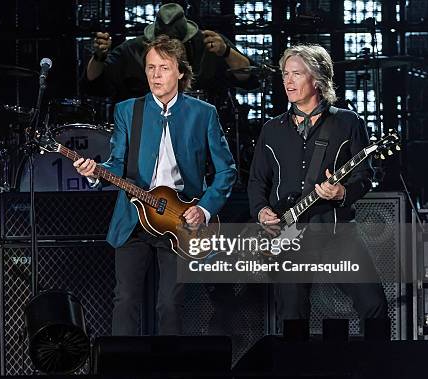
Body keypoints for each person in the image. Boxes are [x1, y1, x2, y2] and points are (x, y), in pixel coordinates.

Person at [74, 35, 236, 335]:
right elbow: (117, 164)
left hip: (179, 221)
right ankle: (121, 367)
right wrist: (95, 172)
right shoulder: (128, 111)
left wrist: (203, 208)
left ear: (180, 72)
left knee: (169, 305)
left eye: (163, 67)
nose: (155, 75)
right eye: (150, 68)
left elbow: (227, 171)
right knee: (125, 300)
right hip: (134, 219)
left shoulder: (203, 114)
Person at [247, 44, 387, 331]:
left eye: (297, 74)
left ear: (318, 79)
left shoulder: (347, 122)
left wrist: (342, 193)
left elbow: (364, 175)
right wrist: (262, 211)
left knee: (373, 305)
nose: (288, 81)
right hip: (288, 237)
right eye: (285, 74)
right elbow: (257, 181)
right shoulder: (271, 129)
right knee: (292, 315)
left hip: (336, 231)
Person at [82, 2, 258, 103]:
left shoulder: (209, 45)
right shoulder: (132, 50)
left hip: (200, 135)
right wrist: (99, 56)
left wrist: (227, 51)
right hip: (146, 135)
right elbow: (93, 84)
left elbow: (248, 77)